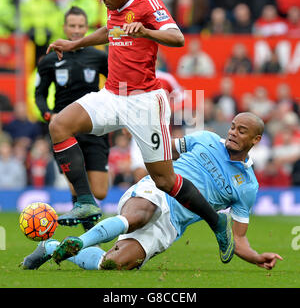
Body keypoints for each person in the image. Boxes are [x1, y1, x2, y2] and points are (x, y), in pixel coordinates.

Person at [45, 0, 233, 260]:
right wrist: (73, 44)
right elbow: (110, 32)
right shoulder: (113, 6)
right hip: (113, 94)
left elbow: (177, 37)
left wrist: (146, 31)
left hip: (145, 101)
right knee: (59, 125)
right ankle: (85, 201)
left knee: (165, 181)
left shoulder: (148, 3)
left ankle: (216, 220)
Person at [21, 112, 283, 271]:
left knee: (112, 265)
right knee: (143, 212)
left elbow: (237, 238)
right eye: (233, 126)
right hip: (157, 190)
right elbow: (164, 151)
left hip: (172, 224)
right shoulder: (206, 139)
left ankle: (50, 247)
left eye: (242, 131)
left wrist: (256, 257)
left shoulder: (248, 186)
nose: (233, 133)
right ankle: (81, 241)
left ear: (255, 140)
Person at [35, 6, 109, 228]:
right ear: (65, 27)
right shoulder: (49, 59)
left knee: (100, 191)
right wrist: (49, 115)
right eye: (72, 26)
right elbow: (39, 94)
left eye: (80, 26)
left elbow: (117, 83)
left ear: (87, 28)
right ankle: (90, 239)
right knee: (77, 188)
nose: (76, 30)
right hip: (65, 130)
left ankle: (89, 227)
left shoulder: (98, 56)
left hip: (94, 126)